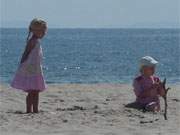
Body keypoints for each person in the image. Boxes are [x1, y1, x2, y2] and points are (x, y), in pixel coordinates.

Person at [11, 18, 47, 113]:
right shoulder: (32, 41)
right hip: (30, 69)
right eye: (43, 31)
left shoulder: (37, 41)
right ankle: (28, 110)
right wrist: (22, 65)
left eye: (44, 31)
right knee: (32, 91)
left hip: (36, 69)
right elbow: (25, 53)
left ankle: (35, 109)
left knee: (36, 90)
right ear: (36, 31)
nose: (44, 33)